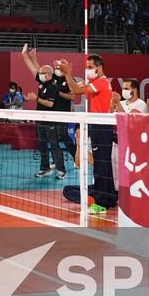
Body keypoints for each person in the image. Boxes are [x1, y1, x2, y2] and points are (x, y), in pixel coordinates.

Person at [58, 55, 118, 213]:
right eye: (87, 67)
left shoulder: (102, 82)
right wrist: (67, 74)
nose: (88, 70)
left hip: (101, 126)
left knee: (101, 164)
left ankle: (101, 202)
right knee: (103, 163)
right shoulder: (94, 83)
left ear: (99, 67)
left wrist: (67, 74)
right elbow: (73, 89)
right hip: (98, 126)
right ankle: (110, 197)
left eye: (91, 67)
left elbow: (77, 91)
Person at [21, 46, 68, 179]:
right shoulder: (43, 83)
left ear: (48, 74)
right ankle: (45, 168)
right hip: (40, 119)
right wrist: (25, 56)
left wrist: (35, 98)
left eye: (42, 73)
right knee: (42, 145)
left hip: (50, 120)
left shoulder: (53, 86)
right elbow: (32, 68)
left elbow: (50, 104)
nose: (39, 74)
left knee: (54, 145)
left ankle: (61, 170)